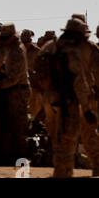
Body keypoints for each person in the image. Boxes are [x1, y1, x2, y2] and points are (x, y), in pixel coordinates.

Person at [35, 18, 99, 177]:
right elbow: (79, 80)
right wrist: (86, 108)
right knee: (74, 139)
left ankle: (61, 171)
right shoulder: (74, 51)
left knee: (58, 139)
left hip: (50, 98)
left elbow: (38, 69)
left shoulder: (50, 46)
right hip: (72, 100)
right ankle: (65, 172)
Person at [0, 23, 30, 160]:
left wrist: (0, 85)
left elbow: (15, 77)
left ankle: (21, 155)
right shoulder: (11, 49)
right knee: (11, 122)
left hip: (19, 90)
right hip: (12, 90)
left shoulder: (17, 51)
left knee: (19, 124)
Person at [20, 29, 42, 119]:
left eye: (27, 41)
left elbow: (41, 68)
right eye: (24, 41)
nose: (26, 44)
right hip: (21, 84)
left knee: (34, 109)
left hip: (34, 85)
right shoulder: (18, 51)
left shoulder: (37, 52)